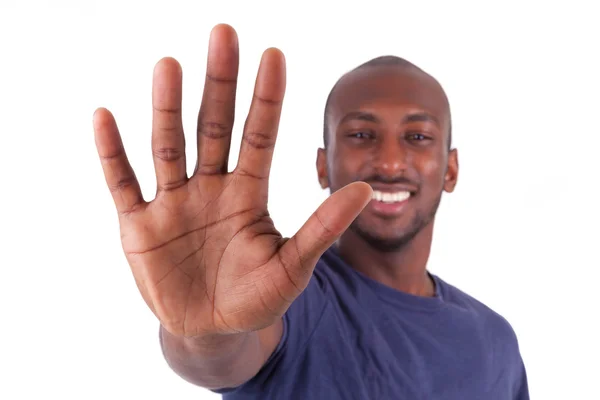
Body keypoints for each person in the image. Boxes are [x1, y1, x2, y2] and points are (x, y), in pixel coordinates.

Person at [93, 23, 529, 399]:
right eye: (361, 134)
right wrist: (206, 332)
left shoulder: (494, 341)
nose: (392, 163)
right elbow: (228, 354)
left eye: (417, 137)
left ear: (451, 169)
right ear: (324, 166)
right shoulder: (292, 299)